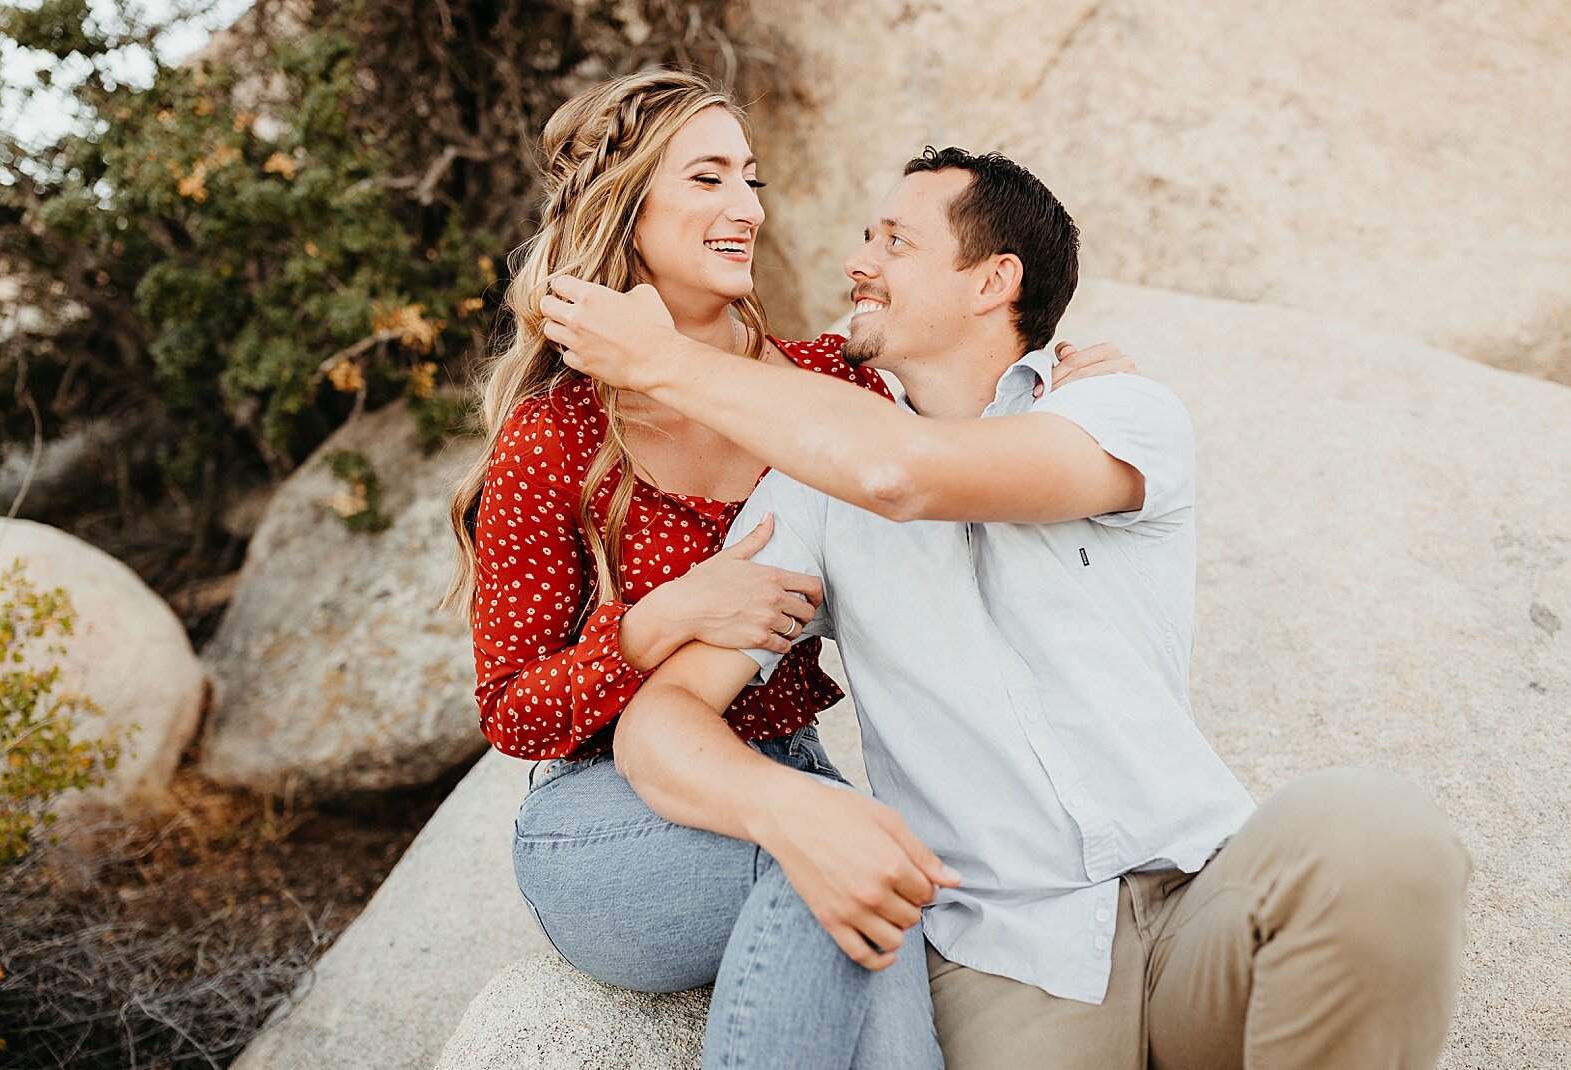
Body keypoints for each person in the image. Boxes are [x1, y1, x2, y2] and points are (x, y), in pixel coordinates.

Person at [540, 145, 1474, 1069]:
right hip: (1004, 960)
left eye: (896, 241)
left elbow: (901, 474)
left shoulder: (1115, 415)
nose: (858, 261)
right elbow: (659, 722)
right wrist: (790, 812)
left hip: (1202, 902)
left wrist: (660, 360)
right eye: (866, 236)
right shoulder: (812, 492)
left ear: (994, 280)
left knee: (1379, 835)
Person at [445, 71, 1131, 1070]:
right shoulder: (555, 436)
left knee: (866, 875)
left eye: (751, 179)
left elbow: (942, 434)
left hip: (792, 767)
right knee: (831, 859)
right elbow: (511, 709)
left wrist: (1054, 378)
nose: (746, 207)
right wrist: (659, 617)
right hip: (611, 817)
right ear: (629, 208)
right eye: (710, 178)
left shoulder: (824, 383)